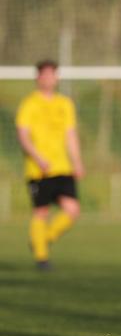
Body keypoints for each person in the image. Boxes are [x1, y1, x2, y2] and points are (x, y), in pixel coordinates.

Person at [15, 60, 84, 271]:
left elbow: (70, 135)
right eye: (43, 75)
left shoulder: (65, 104)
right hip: (39, 169)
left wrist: (77, 161)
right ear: (37, 78)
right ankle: (42, 257)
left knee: (72, 209)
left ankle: (42, 239)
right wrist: (37, 157)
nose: (48, 78)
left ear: (57, 78)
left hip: (62, 167)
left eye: (51, 74)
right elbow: (23, 135)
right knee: (41, 212)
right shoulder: (29, 104)